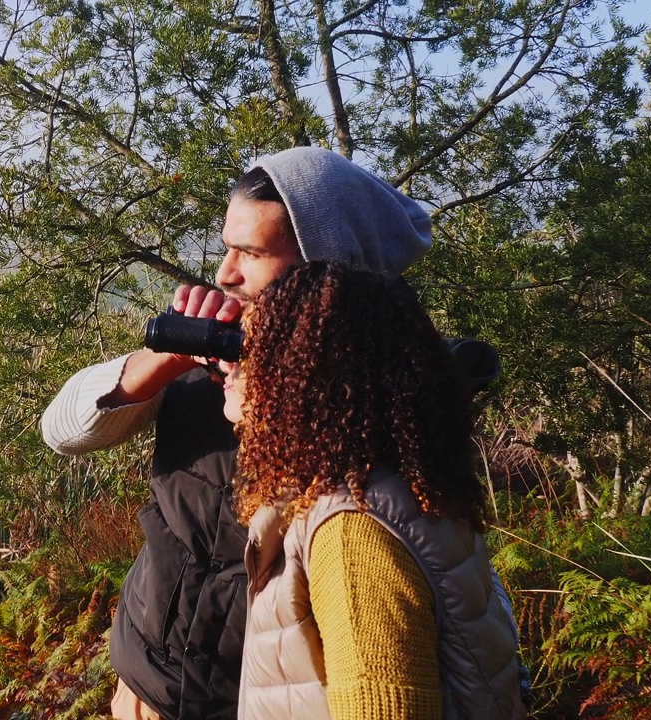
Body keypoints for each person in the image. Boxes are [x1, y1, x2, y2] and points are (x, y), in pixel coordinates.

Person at [42, 146, 441, 720]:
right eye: (226, 247)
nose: (225, 275)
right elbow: (64, 431)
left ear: (325, 269)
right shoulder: (211, 364)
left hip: (259, 702)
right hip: (147, 689)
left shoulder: (374, 413)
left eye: (250, 253)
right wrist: (170, 357)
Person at [224, 261, 524, 719]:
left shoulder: (353, 536)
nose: (234, 368)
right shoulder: (409, 487)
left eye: (257, 352)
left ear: (303, 379)